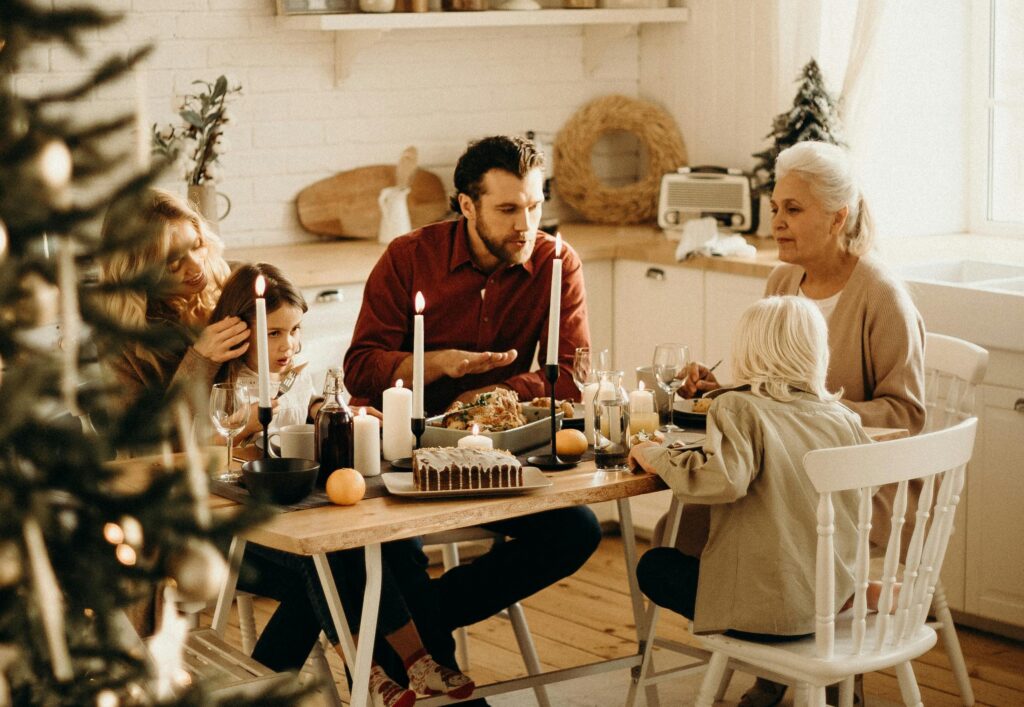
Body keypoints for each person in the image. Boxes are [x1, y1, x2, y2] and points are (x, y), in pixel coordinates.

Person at [343, 135, 602, 702]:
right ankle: (432, 660)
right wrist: (434, 364)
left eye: (534, 206)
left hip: (499, 457)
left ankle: (404, 635)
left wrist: (497, 393)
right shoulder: (409, 257)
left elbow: (573, 377)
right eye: (508, 209)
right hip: (407, 455)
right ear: (466, 205)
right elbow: (360, 370)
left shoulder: (558, 263)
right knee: (394, 546)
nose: (526, 224)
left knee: (577, 530)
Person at [675, 141, 926, 706]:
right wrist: (727, 390)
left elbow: (906, 415)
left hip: (859, 491)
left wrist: (807, 413)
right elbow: (773, 383)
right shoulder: (782, 284)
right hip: (790, 481)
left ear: (838, 217)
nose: (778, 223)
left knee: (740, 510)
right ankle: (777, 649)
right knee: (713, 504)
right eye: (776, 207)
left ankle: (784, 663)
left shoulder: (882, 296)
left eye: (794, 210)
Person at [210, 263, 474, 705]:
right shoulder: (225, 387)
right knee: (325, 557)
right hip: (242, 529)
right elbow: (213, 451)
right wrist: (243, 432)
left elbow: (307, 412)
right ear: (241, 330)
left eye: (294, 330)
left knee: (352, 545)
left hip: (298, 516)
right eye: (273, 333)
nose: (288, 344)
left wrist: (330, 413)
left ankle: (411, 666)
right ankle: (374, 668)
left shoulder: (294, 375)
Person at [629, 295, 870, 644]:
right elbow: (866, 487)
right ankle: (856, 593)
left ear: (747, 351)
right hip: (828, 605)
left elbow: (721, 481)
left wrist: (658, 456)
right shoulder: (843, 417)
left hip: (767, 613)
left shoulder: (738, 407)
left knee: (655, 567)